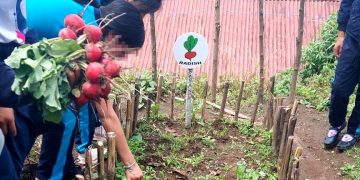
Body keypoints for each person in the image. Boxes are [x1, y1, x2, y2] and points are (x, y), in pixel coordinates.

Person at [0, 0, 162, 179]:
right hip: (10, 82)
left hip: (14, 77)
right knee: (65, 117)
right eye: (124, 52)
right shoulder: (83, 37)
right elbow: (106, 114)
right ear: (115, 37)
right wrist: (131, 166)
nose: (121, 59)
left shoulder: (86, 16)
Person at [323, 0, 360, 151]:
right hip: (353, 39)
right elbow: (347, 3)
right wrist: (341, 35)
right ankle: (337, 123)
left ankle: (354, 130)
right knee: (339, 87)